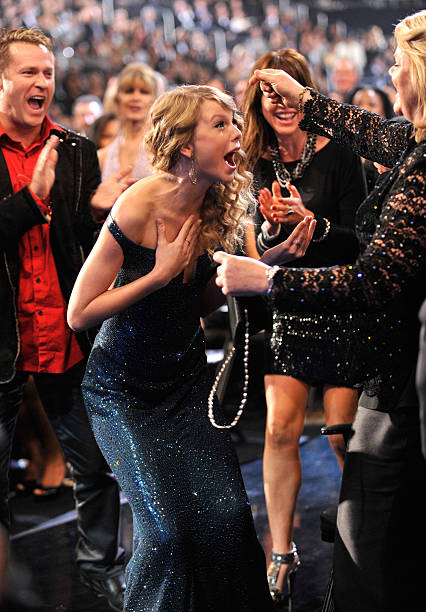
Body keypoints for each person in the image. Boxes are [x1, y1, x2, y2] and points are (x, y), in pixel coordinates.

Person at [66, 84, 313, 612]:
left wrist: (272, 263)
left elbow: (200, 303)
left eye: (233, 123)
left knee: (227, 518)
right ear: (184, 144)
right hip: (122, 393)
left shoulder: (221, 206)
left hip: (185, 385)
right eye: (220, 125)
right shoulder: (139, 203)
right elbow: (79, 312)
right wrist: (156, 277)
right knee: (169, 532)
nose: (237, 135)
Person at [213, 9, 426, 612]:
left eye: (396, 64)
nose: (388, 72)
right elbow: (371, 129)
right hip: (388, 361)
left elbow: (373, 278)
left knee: (371, 535)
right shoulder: (414, 142)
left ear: (419, 74)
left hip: (395, 366)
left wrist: (271, 277)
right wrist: (306, 98)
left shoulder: (422, 164)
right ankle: (287, 555)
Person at [0, 27, 133, 611]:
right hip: (4, 340)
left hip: (66, 334)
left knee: (97, 467)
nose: (42, 83)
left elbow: (81, 244)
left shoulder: (76, 149)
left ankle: (98, 566)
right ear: (2, 78)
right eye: (29, 71)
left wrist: (102, 213)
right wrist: (32, 201)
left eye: (47, 73)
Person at [241, 48, 366, 606]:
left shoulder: (339, 154)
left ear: (305, 95)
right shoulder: (254, 162)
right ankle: (282, 553)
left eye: (287, 90)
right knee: (278, 431)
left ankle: (363, 544)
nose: (278, 102)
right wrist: (272, 237)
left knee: (342, 436)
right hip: (288, 309)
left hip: (341, 307)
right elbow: (256, 251)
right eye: (268, 92)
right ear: (258, 102)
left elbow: (362, 243)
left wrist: (312, 226)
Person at [98, 62, 158, 180]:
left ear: (154, 99)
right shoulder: (102, 157)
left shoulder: (163, 152)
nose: (136, 98)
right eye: (129, 91)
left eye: (144, 92)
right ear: (118, 98)